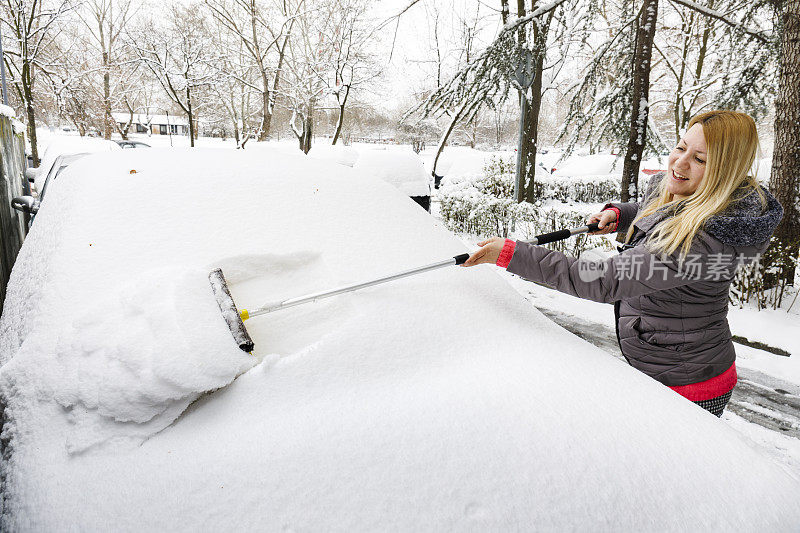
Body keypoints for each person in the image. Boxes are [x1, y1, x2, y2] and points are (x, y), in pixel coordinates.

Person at [463, 110, 783, 417]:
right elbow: (657, 210)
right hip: (667, 360)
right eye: (681, 147)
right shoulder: (690, 195)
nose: (680, 163)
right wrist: (620, 215)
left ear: (723, 172)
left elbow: (605, 280)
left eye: (700, 159)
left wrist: (512, 254)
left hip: (687, 383)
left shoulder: (701, 241)